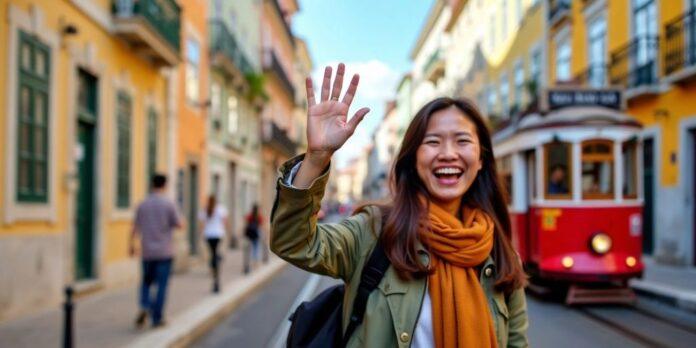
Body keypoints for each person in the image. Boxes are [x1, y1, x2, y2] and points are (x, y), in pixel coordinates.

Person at [271, 63, 529, 347]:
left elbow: (517, 343)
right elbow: (294, 242)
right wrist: (315, 159)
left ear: (481, 159)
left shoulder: (501, 253)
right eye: (433, 141)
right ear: (413, 158)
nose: (448, 154)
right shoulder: (374, 231)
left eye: (462, 141)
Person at [129, 174, 182, 329]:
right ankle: (157, 318)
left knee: (146, 282)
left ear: (152, 184)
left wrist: (131, 245)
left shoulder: (142, 204)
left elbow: (134, 227)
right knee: (161, 286)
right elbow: (179, 224)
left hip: (147, 252)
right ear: (165, 185)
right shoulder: (169, 204)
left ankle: (145, 305)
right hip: (164, 252)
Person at [199, 195, 229, 293]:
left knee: (212, 253)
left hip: (209, 234)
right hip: (218, 234)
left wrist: (202, 233)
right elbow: (225, 221)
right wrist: (223, 229)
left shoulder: (205, 209)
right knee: (215, 252)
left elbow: (202, 223)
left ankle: (213, 268)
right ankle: (216, 266)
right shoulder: (220, 209)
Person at [244, 203, 262, 272]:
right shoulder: (259, 216)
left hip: (251, 234)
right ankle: (256, 262)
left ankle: (253, 261)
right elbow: (261, 225)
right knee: (257, 247)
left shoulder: (250, 216)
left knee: (252, 247)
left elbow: (246, 224)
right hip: (257, 233)